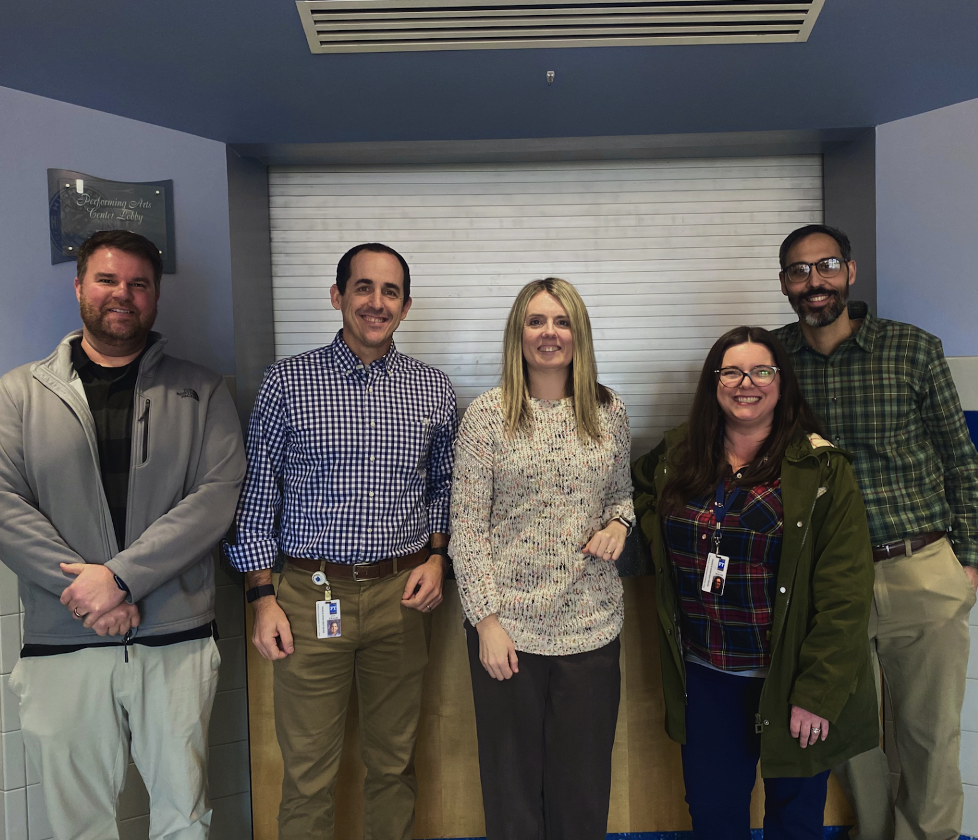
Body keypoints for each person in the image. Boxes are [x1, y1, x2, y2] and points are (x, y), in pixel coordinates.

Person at [0, 229, 246, 840]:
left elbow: (216, 499)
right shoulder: (18, 394)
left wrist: (120, 578)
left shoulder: (203, 391)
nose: (123, 295)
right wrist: (91, 591)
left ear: (156, 297)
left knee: (183, 816)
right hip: (65, 640)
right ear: (79, 286)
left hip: (175, 638)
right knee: (74, 824)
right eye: (108, 280)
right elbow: (4, 504)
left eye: (139, 284)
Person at [225, 243, 458, 840]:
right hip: (306, 595)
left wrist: (437, 557)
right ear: (337, 296)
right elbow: (257, 494)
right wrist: (260, 596)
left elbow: (443, 486)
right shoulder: (287, 382)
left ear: (406, 307)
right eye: (363, 288)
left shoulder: (433, 389)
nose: (376, 303)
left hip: (402, 597)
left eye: (390, 292)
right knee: (306, 773)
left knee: (394, 764)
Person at [771, 225, 978, 840]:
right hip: (831, 581)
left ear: (850, 272)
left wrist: (967, 561)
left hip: (921, 567)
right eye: (800, 271)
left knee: (929, 731)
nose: (815, 282)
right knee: (849, 730)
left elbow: (960, 459)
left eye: (827, 266)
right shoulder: (774, 360)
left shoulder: (912, 350)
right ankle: (874, 830)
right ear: (785, 284)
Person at [632, 326, 879, 840]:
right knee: (714, 815)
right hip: (706, 675)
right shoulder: (681, 452)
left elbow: (846, 595)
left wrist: (818, 692)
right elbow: (637, 490)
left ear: (782, 383)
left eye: (762, 371)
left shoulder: (822, 468)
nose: (747, 383)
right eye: (732, 371)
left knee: (795, 821)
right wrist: (658, 538)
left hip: (788, 678)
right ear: (713, 382)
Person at [450, 277, 634, 840]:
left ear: (578, 333)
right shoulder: (488, 416)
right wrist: (487, 623)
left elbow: (621, 494)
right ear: (518, 334)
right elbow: (466, 528)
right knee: (513, 795)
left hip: (590, 630)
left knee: (582, 792)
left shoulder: (607, 410)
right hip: (509, 636)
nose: (549, 333)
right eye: (536, 321)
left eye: (561, 321)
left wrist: (621, 525)